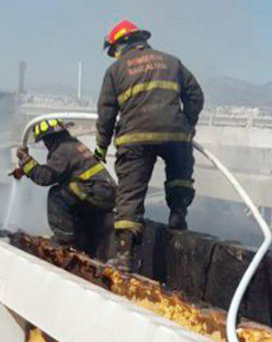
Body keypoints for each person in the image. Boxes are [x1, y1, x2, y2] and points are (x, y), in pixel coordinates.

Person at [95, 20, 205, 271]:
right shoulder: (172, 61)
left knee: (130, 194)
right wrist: (186, 124)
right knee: (180, 178)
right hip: (175, 136)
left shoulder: (116, 70)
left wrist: (101, 146)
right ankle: (178, 219)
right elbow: (196, 95)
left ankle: (124, 255)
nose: (115, 55)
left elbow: (106, 113)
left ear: (121, 43)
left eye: (114, 50)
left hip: (135, 139)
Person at [14, 118, 117, 258]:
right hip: (101, 193)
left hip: (98, 193)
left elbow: (45, 177)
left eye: (45, 140)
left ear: (50, 137)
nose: (45, 144)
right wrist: (27, 170)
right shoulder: (70, 145)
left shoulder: (63, 149)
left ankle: (64, 242)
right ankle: (77, 240)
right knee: (67, 193)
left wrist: (26, 161)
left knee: (56, 195)